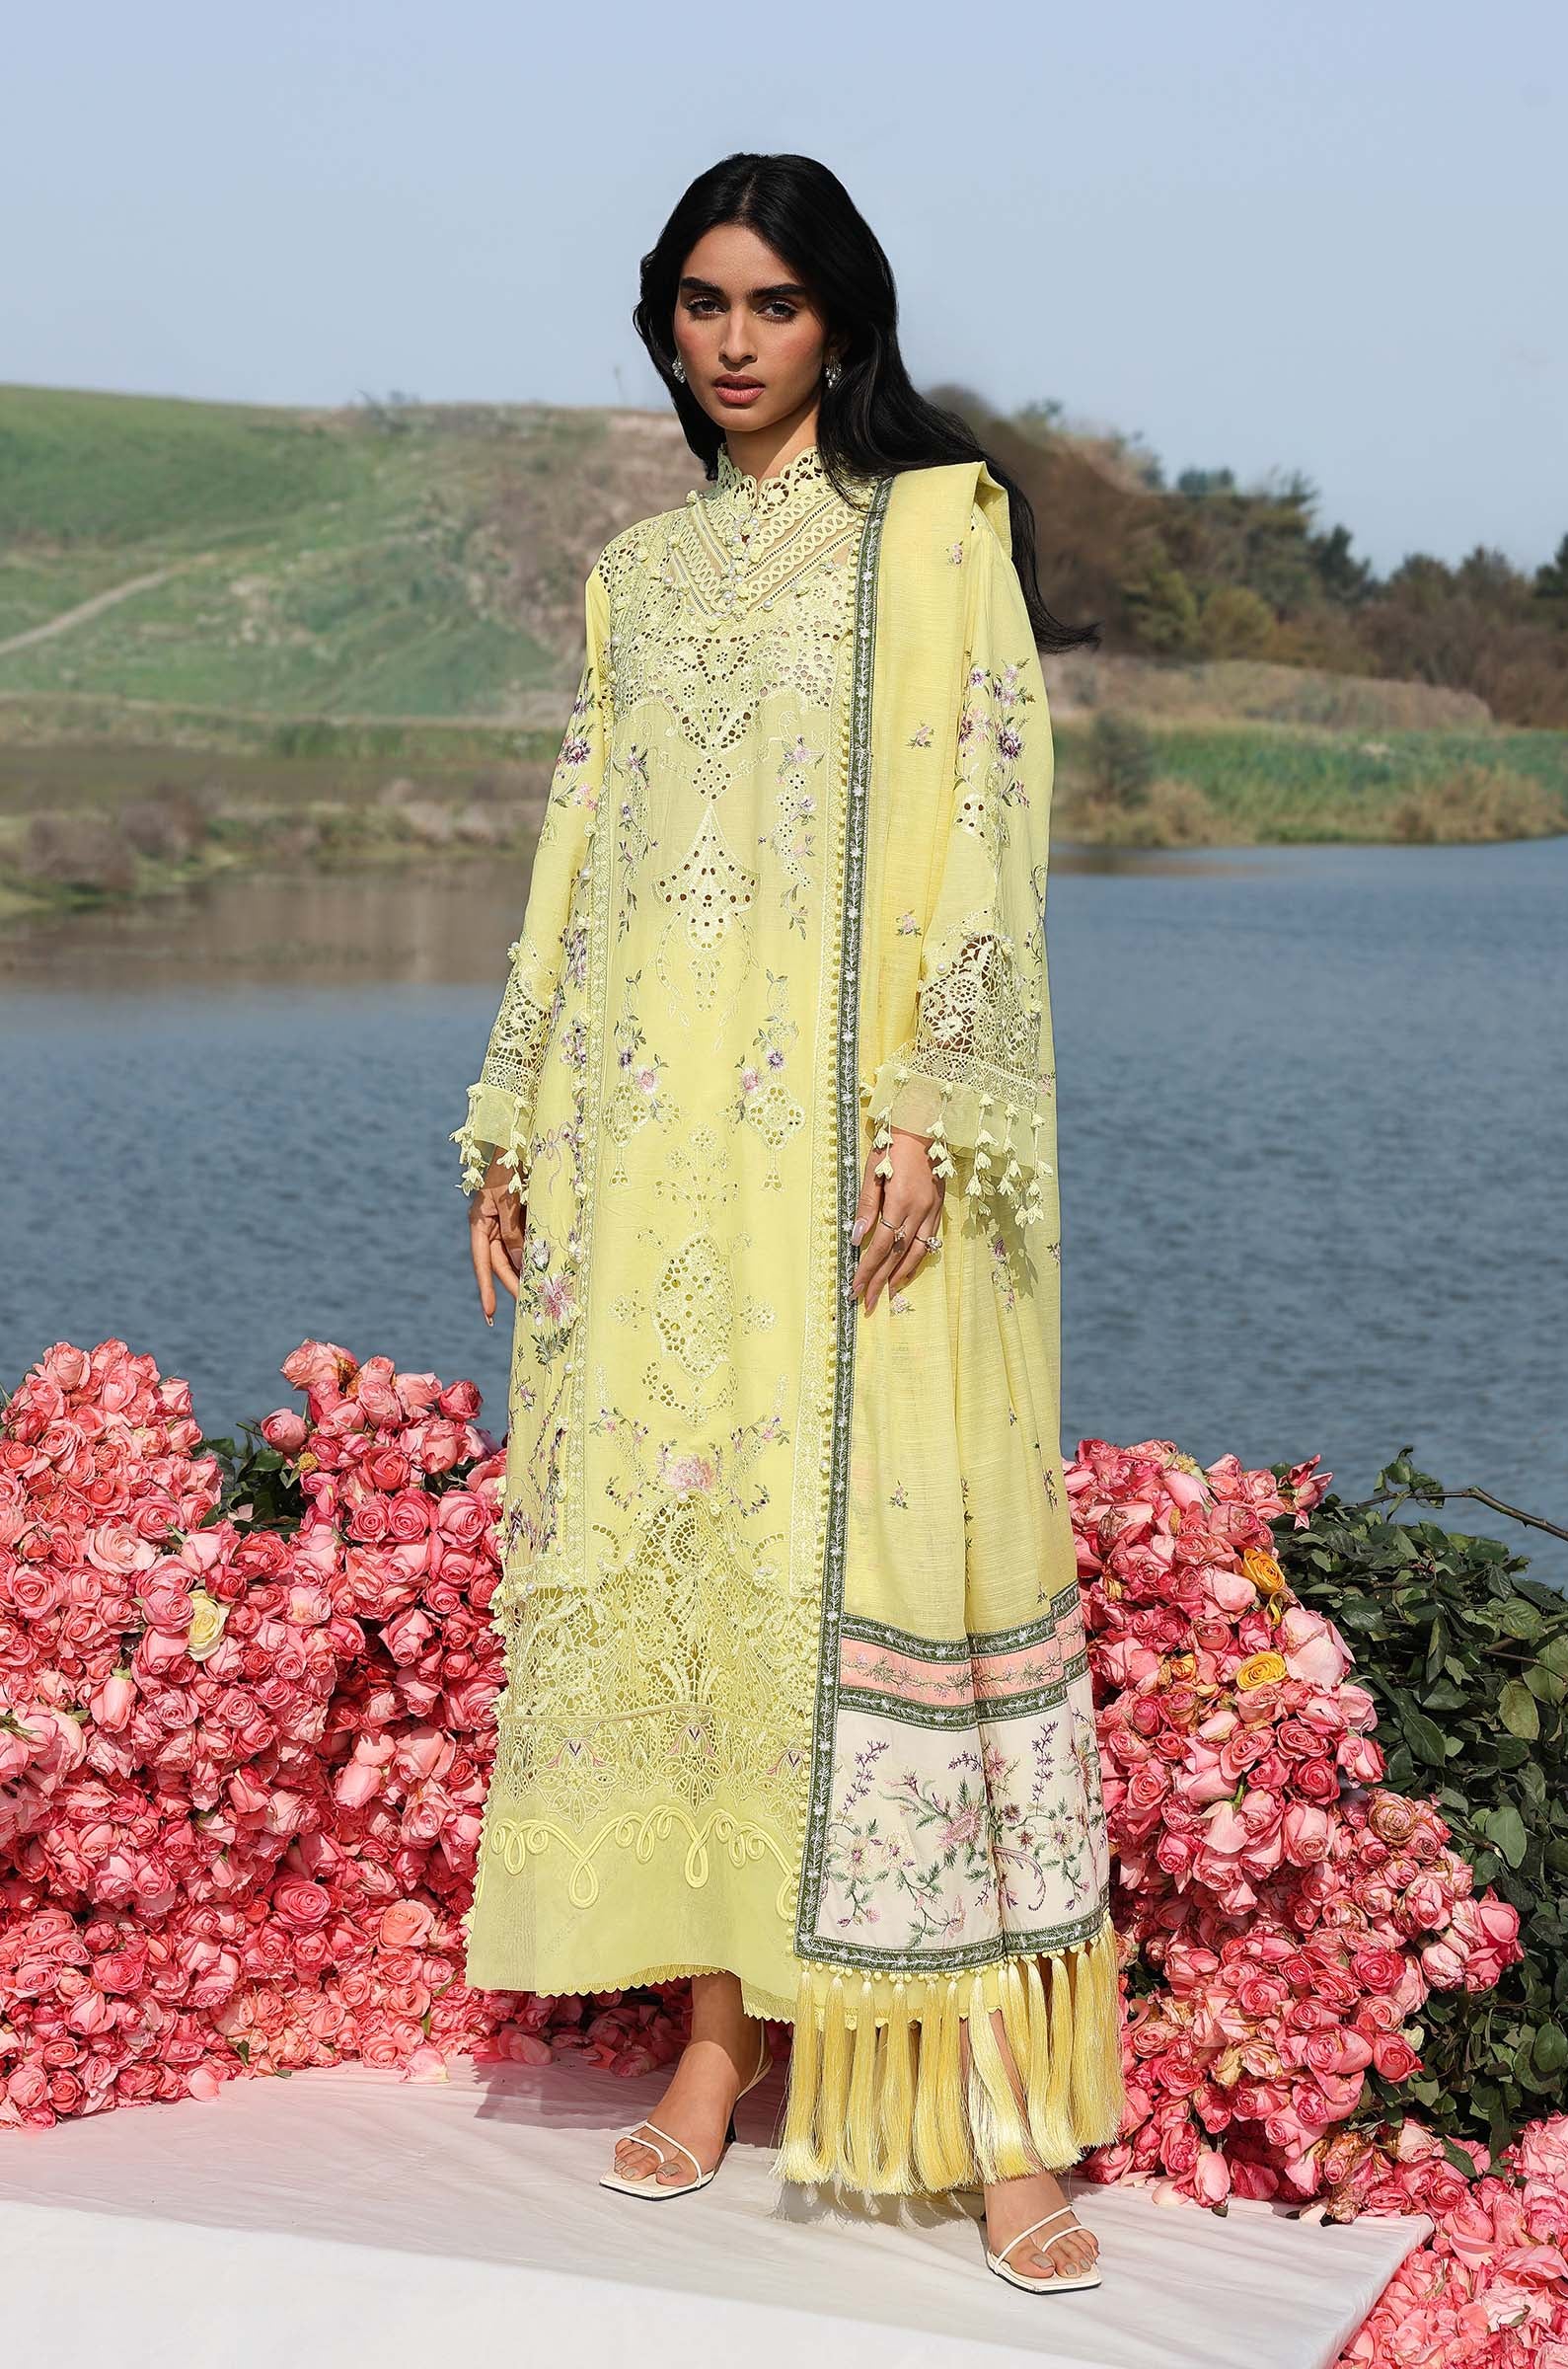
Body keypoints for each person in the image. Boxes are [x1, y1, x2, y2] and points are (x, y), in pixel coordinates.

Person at [452, 151, 1124, 2295]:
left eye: (772, 304)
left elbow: (986, 810)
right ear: (665, 318)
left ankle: (996, 2118)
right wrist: (513, 1115)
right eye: (701, 303)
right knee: (714, 1561)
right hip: (660, 1149)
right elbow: (581, 844)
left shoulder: (931, 529)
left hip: (857, 1149)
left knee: (901, 1565)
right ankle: (719, 2040)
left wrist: (925, 1105)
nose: (731, 343)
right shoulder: (638, 578)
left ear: (842, 320)